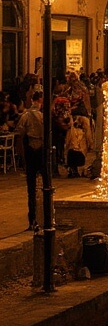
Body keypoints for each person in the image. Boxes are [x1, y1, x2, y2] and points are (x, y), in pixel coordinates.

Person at [14, 91, 44, 229]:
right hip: (41, 150)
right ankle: (45, 218)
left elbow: (19, 134)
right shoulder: (43, 115)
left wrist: (22, 157)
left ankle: (33, 219)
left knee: (31, 188)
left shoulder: (26, 115)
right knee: (45, 187)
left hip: (31, 150)